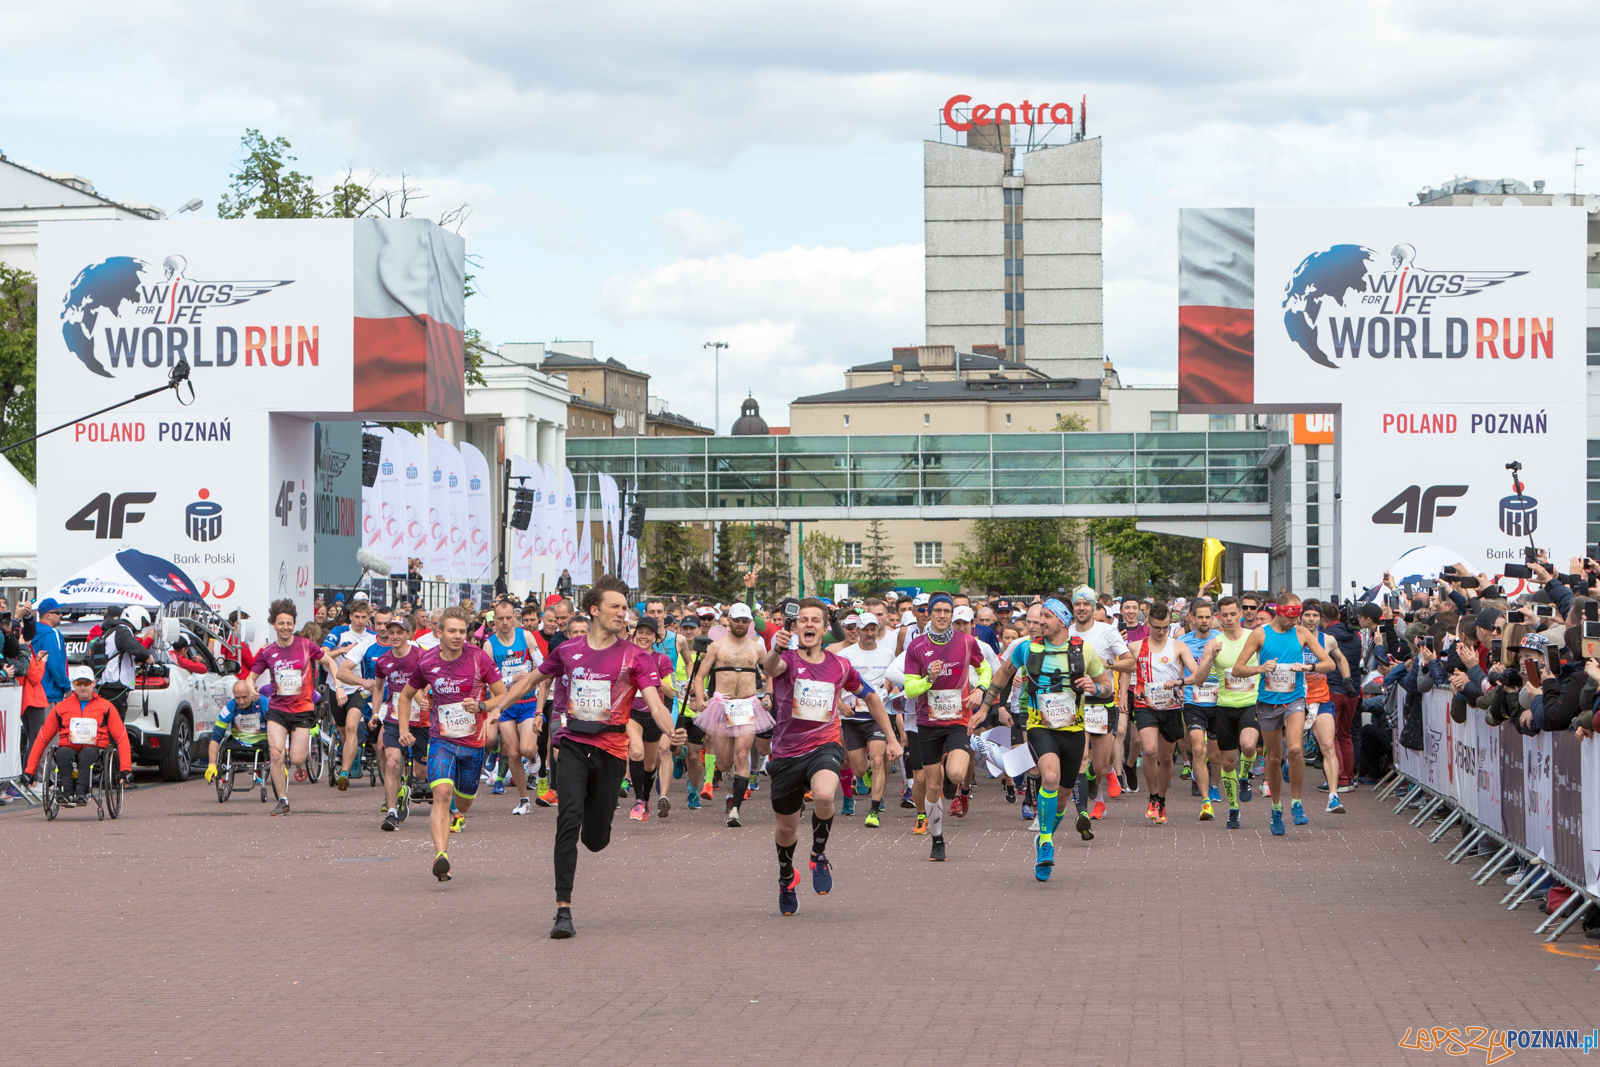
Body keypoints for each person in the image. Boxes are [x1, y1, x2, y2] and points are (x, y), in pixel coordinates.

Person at [517, 575, 686, 939]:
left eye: (626, 608)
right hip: (574, 743)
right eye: (616, 607)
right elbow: (532, 680)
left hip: (611, 750)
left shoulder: (635, 656)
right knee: (568, 818)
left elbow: (655, 702)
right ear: (594, 610)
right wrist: (492, 704)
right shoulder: (568, 651)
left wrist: (671, 729)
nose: (623, 614)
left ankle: (601, 820)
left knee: (595, 838)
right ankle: (563, 910)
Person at [763, 599, 900, 915]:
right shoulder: (786, 659)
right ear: (796, 628)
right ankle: (786, 877)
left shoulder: (840, 665)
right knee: (786, 829)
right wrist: (775, 650)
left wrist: (891, 738)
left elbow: (872, 697)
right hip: (785, 754)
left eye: (815, 620)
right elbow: (771, 668)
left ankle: (818, 855)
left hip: (824, 745)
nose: (808, 625)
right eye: (803, 621)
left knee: (825, 794)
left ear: (825, 628)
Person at [979, 598, 1113, 881]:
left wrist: (1095, 687)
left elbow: (1107, 688)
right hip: (1040, 726)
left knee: (1062, 799)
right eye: (1038, 616)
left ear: (1062, 621)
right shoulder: (1026, 648)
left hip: (1074, 730)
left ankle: (1045, 837)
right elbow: (1003, 674)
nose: (1039, 621)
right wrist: (983, 708)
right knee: (1049, 777)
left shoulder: (1083, 650)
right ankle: (1046, 843)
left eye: (1046, 616)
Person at [394, 606, 511, 882]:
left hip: (472, 745)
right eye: (452, 631)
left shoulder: (479, 658)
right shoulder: (427, 662)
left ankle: (458, 814)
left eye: (462, 631)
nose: (458, 636)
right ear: (439, 632)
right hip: (441, 741)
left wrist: (481, 705)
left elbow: (502, 695)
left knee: (462, 802)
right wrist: (403, 729)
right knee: (442, 795)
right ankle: (441, 856)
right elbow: (405, 696)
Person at [1228, 593, 1334, 835]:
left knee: (1295, 749)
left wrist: (1308, 667)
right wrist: (1260, 668)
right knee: (1274, 759)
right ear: (1278, 613)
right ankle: (1276, 809)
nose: (1294, 623)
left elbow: (1329, 664)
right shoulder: (1260, 633)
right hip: (1267, 703)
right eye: (1290, 618)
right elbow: (1238, 668)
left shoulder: (1301, 633)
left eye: (1297, 617)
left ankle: (1296, 803)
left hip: (1294, 699)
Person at [902, 592, 990, 861]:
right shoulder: (917, 647)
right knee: (932, 787)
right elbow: (908, 688)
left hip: (957, 720)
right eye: (937, 611)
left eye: (947, 611)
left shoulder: (966, 642)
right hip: (927, 724)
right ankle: (937, 838)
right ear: (929, 613)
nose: (942, 615)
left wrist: (981, 689)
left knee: (954, 774)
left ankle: (957, 789)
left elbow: (985, 668)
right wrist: (929, 678)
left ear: (953, 615)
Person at [247, 598, 349, 816]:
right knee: (275, 754)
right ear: (274, 625)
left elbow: (329, 662)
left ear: (294, 625)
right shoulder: (268, 652)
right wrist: (251, 687)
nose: (285, 627)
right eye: (281, 623)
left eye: (289, 623)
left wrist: (338, 686)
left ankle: (289, 767)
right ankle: (282, 799)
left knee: (296, 759)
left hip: (302, 709)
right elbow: (251, 676)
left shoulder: (306, 645)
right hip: (277, 709)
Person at [691, 602, 772, 828]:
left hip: (747, 704)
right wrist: (700, 698)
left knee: (742, 755)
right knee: (725, 763)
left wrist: (769, 696)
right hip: (722, 705)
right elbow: (700, 676)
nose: (740, 623)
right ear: (729, 620)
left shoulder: (757, 648)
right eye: (737, 619)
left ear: (749, 623)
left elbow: (770, 672)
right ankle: (723, 777)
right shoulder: (717, 646)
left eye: (745, 620)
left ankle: (735, 809)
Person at [1128, 602, 1202, 824]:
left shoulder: (1178, 646)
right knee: (1149, 750)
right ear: (1148, 623)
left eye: (1165, 627)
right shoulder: (1135, 646)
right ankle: (1152, 798)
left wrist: (1180, 682)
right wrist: (1123, 692)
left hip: (1170, 707)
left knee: (1166, 758)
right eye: (1157, 627)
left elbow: (1196, 675)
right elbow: (1124, 668)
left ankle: (1161, 799)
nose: (1161, 632)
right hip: (1145, 705)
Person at [1065, 586, 1134, 821]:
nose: (1082, 608)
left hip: (1102, 702)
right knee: (1081, 758)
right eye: (1077, 604)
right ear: (1073, 607)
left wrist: (1107, 664)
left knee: (1100, 765)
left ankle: (1105, 774)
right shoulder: (1065, 632)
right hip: (1075, 703)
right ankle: (1083, 811)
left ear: (1094, 607)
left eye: (1086, 604)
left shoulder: (1107, 631)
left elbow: (1130, 663)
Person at [23, 665, 132, 806]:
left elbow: (121, 737)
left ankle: (81, 792)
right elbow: (43, 738)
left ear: (93, 683)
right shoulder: (61, 708)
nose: (82, 687)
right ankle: (67, 793)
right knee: (61, 753)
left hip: (95, 749)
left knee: (86, 753)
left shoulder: (106, 707)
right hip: (68, 747)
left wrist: (125, 770)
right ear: (73, 684)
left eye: (86, 683)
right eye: (78, 683)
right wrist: (30, 771)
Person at [481, 600, 544, 811]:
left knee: (526, 749)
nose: (505, 622)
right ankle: (524, 799)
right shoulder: (489, 646)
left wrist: (533, 677)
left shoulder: (526, 636)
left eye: (509, 618)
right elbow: (489, 680)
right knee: (513, 753)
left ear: (515, 619)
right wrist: (512, 679)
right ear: (494, 621)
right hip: (505, 704)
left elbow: (542, 666)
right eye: (501, 619)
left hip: (528, 702)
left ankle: (534, 755)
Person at [838, 612, 898, 826]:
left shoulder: (887, 654)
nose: (870, 633)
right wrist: (839, 704)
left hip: (876, 716)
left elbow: (894, 679)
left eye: (874, 629)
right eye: (866, 629)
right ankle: (866, 774)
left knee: (878, 760)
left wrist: (894, 691)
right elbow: (834, 682)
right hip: (853, 717)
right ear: (858, 630)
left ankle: (874, 810)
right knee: (859, 769)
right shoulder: (845, 654)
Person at [1297, 601, 1351, 814]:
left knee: (1328, 745)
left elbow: (1341, 658)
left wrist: (1347, 681)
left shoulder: (1327, 639)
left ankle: (1333, 797)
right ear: (1300, 616)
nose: (1311, 619)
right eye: (1307, 615)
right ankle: (1289, 773)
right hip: (1296, 699)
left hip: (1321, 698)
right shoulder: (1292, 638)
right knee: (1295, 750)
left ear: (1321, 618)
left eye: (1315, 616)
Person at [373, 614, 426, 831]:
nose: (395, 636)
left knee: (422, 773)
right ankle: (392, 813)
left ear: (408, 634)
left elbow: (434, 678)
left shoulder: (421, 655)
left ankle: (405, 791)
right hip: (394, 718)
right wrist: (375, 714)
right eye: (391, 632)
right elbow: (378, 686)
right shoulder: (384, 660)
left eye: (399, 632)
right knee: (392, 760)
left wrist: (424, 694)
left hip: (420, 720)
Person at [624, 617, 678, 821]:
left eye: (649, 633)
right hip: (632, 714)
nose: (644, 636)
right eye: (641, 632)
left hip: (654, 716)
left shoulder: (662, 660)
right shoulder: (626, 657)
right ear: (635, 633)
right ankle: (638, 800)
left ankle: (646, 799)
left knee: (649, 766)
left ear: (655, 637)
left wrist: (649, 676)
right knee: (635, 751)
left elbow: (672, 691)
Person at [324, 600, 379, 789]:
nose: (361, 621)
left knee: (351, 727)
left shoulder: (372, 636)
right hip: (336, 687)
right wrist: (342, 651)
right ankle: (352, 753)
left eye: (364, 617)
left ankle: (345, 772)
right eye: (357, 616)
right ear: (350, 616)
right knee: (343, 733)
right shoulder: (339, 632)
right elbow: (321, 655)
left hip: (358, 688)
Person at [204, 681, 270, 787]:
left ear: (253, 692)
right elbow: (216, 736)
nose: (241, 701)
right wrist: (211, 764)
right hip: (239, 743)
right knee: (226, 745)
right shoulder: (230, 707)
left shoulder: (265, 704)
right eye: (237, 698)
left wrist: (280, 760)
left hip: (261, 743)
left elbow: (278, 731)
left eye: (244, 697)